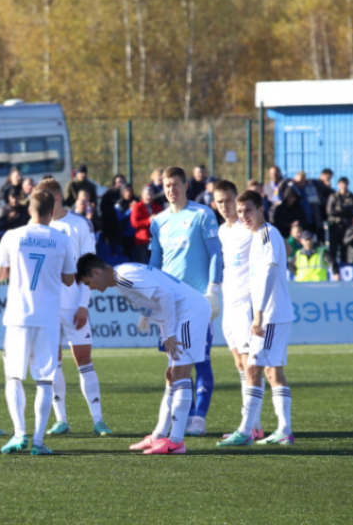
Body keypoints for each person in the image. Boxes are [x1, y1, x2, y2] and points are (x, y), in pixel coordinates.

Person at [76, 254, 211, 455]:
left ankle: (176, 441)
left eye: (88, 282)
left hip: (190, 313)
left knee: (181, 372)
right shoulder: (123, 276)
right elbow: (159, 299)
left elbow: (165, 295)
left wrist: (170, 335)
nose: (91, 288)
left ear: (96, 272)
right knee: (171, 375)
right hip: (182, 314)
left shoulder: (123, 275)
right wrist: (162, 329)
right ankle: (159, 435)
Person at [0, 189, 76, 456]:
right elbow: (69, 279)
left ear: (30, 210)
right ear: (52, 212)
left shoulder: (13, 236)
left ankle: (20, 434)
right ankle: (39, 442)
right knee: (44, 381)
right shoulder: (62, 239)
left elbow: (0, 275)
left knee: (14, 377)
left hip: (18, 317)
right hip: (48, 318)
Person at [34, 178, 112, 438]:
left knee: (84, 362)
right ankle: (61, 420)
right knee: (53, 363)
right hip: (48, 309)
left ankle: (98, 421)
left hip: (73, 307)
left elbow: (90, 266)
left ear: (54, 198)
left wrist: (83, 305)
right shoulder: (37, 227)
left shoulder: (79, 225)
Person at [148, 166, 223, 436]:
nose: (171, 190)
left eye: (175, 184)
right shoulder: (157, 221)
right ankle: (180, 416)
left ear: (185, 186)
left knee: (200, 360)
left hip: (198, 301)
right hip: (169, 304)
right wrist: (148, 301)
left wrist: (214, 287)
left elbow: (215, 253)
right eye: (167, 185)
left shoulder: (203, 214)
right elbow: (154, 263)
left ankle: (198, 418)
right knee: (174, 363)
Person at [219, 190, 295, 447]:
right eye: (240, 212)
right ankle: (284, 430)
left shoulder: (266, 233)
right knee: (273, 373)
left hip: (270, 316)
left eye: (248, 210)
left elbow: (271, 274)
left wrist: (259, 315)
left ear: (261, 209)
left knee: (252, 369)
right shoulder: (258, 236)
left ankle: (245, 431)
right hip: (273, 315)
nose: (243, 216)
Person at [213, 180, 263, 441]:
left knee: (250, 364)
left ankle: (254, 425)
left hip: (245, 304)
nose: (224, 206)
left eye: (228, 201)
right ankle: (250, 423)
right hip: (228, 304)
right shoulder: (222, 230)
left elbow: (275, 249)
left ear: (238, 200)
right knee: (239, 364)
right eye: (219, 202)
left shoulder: (251, 229)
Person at [326, 177, 353, 265]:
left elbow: (351, 208)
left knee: (346, 249)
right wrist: (343, 210)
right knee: (333, 249)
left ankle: (345, 266)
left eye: (345, 184)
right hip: (335, 226)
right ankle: (334, 267)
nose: (343, 186)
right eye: (342, 184)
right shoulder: (333, 196)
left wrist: (338, 209)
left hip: (347, 227)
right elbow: (329, 211)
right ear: (338, 185)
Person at [130, 185, 162, 263]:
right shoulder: (137, 207)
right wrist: (148, 221)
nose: (149, 196)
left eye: (151, 194)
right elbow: (134, 223)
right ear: (142, 195)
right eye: (147, 194)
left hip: (155, 240)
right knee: (142, 264)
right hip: (142, 241)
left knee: (156, 264)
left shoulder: (158, 207)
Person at [99, 175, 126, 254]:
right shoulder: (109, 193)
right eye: (118, 182)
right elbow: (103, 208)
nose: (120, 184)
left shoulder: (126, 192)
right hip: (111, 225)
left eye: (122, 182)